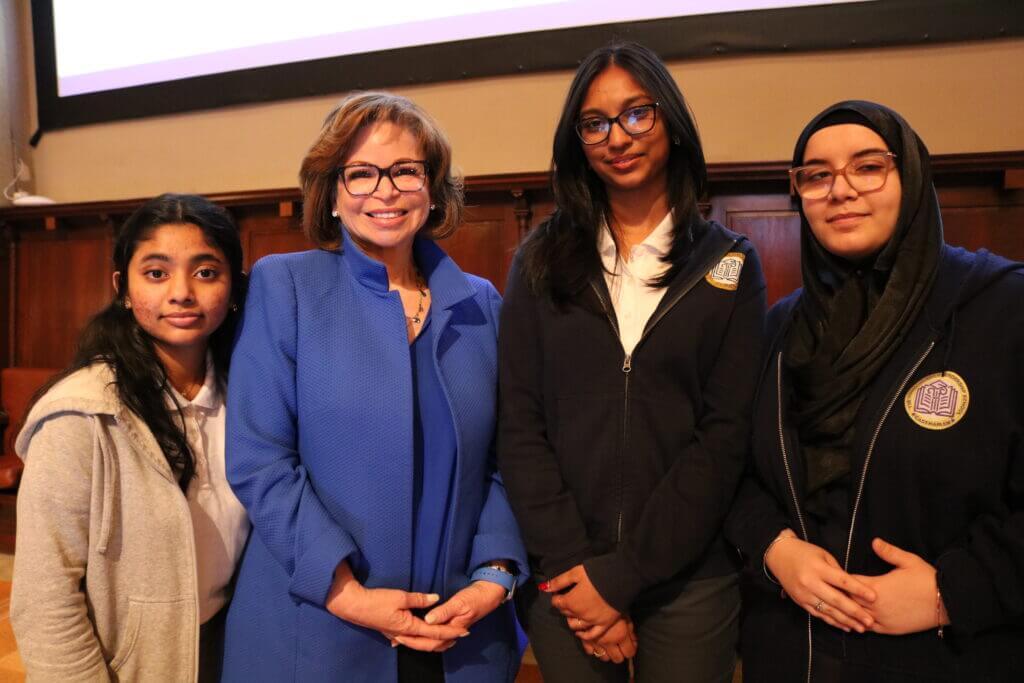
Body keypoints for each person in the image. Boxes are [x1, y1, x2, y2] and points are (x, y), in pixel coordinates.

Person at [221, 91, 528, 683]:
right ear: (331, 194)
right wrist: (345, 591)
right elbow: (261, 460)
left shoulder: (482, 304)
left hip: (460, 630)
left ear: (432, 189)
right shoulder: (285, 287)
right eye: (359, 174)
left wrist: (495, 571)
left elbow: (511, 457)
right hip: (319, 623)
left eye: (405, 171)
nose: (384, 191)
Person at [726, 100, 1024, 682]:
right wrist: (774, 548)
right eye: (816, 175)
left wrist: (952, 592)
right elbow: (732, 470)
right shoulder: (780, 329)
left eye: (868, 167)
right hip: (793, 652)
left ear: (911, 177)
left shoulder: (1002, 310)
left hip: (950, 655)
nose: (841, 190)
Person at [498, 42, 766, 682]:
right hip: (567, 576)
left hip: (689, 580)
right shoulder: (537, 261)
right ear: (577, 141)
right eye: (595, 123)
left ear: (670, 121)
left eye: (637, 114)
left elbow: (724, 438)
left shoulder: (730, 263)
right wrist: (576, 571)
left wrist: (623, 576)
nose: (617, 137)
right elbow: (519, 425)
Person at [10, 193, 249, 681]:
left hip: (234, 646)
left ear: (233, 286)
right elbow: (46, 598)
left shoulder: (251, 396)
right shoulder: (80, 415)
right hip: (132, 664)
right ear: (123, 287)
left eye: (206, 272)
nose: (181, 292)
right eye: (156, 273)